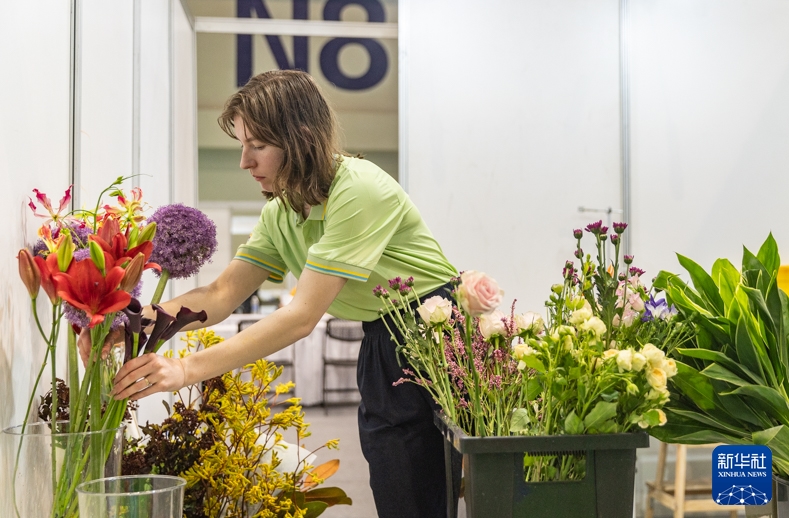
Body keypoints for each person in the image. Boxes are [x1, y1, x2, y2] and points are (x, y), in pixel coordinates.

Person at [110, 70, 460, 518]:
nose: (244, 162)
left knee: (447, 484)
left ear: (300, 139)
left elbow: (301, 316)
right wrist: (133, 321)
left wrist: (184, 369)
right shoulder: (281, 212)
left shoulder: (359, 189)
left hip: (436, 329)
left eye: (257, 146)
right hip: (384, 335)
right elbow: (221, 293)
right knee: (399, 481)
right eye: (242, 146)